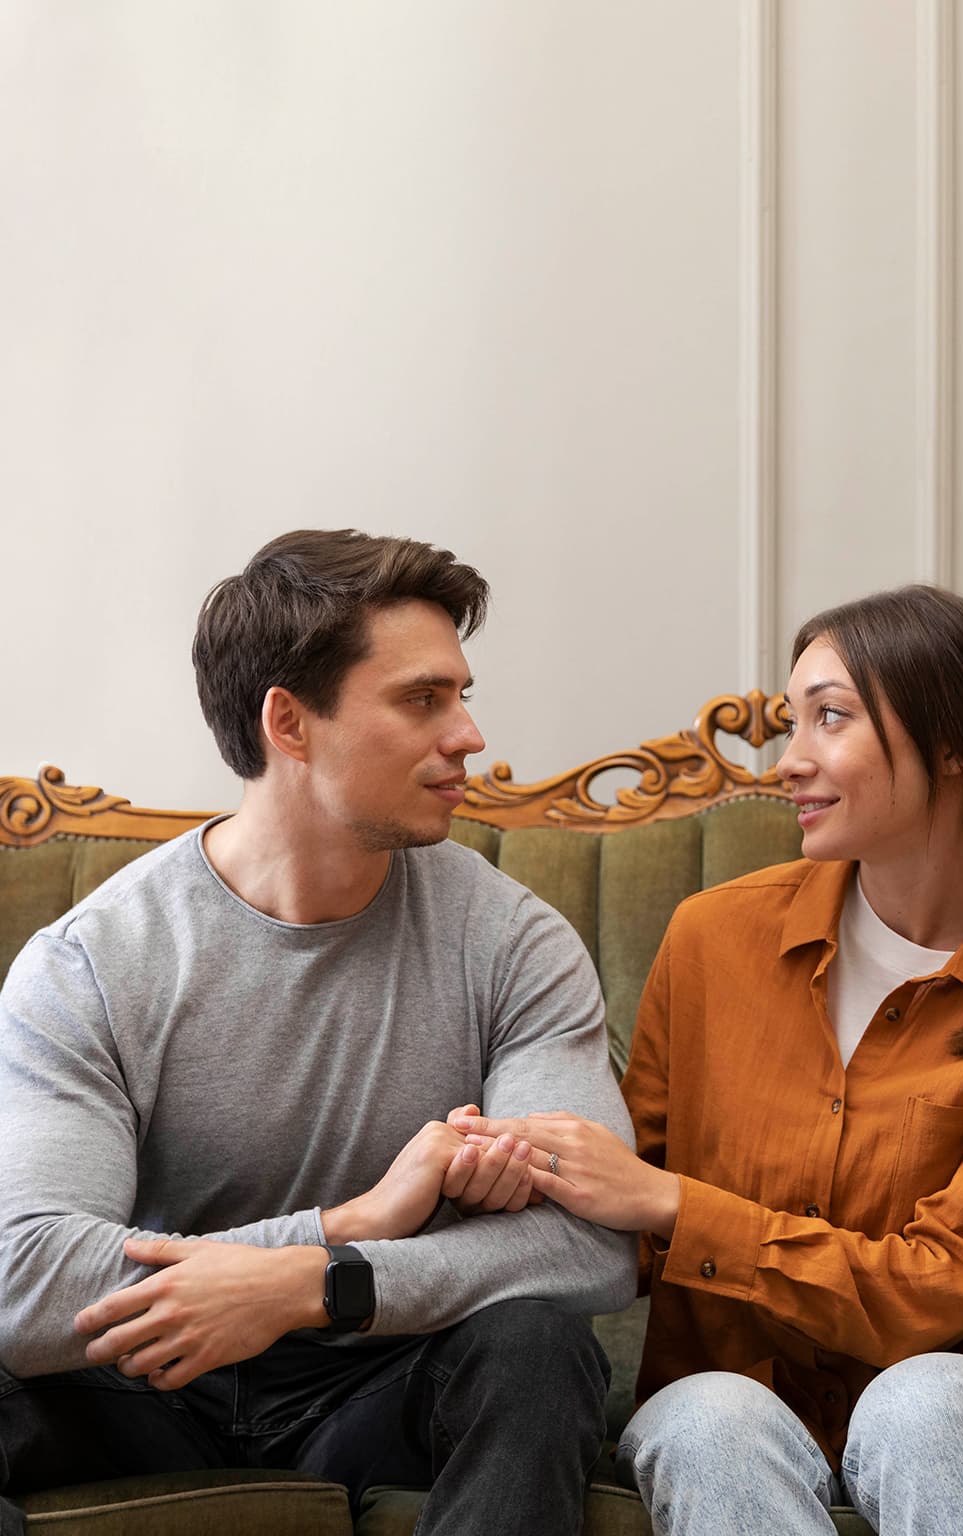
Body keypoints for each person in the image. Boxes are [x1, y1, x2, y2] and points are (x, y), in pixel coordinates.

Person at [454, 584, 963, 1534]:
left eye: (831, 718)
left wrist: (673, 1204)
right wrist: (503, 1171)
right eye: (794, 722)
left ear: (955, 748)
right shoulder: (713, 938)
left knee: (922, 1403)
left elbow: (937, 1291)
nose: (792, 762)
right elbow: (625, 1206)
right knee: (710, 1417)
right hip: (725, 1394)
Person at [0, 530, 638, 1534]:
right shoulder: (92, 962)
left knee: (536, 1350)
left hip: (377, 1385)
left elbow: (590, 1245)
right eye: (423, 699)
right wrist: (336, 1230)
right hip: (144, 1390)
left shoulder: (512, 941)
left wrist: (320, 1286)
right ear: (289, 723)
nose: (469, 735)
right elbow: (27, 1280)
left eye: (463, 695)